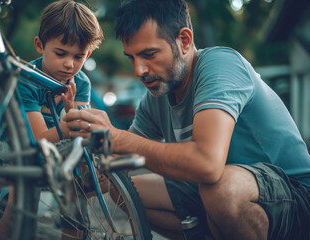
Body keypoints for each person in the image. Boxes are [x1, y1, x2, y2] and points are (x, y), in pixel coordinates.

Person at [62, 0, 310, 239]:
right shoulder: (158, 94)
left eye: (149, 54)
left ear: (184, 40)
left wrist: (117, 137)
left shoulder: (221, 65)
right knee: (124, 190)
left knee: (220, 188)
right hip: (218, 190)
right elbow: (118, 162)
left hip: (294, 195)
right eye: (132, 57)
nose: (139, 70)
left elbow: (207, 164)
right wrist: (83, 160)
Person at [0, 1, 103, 239]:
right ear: (39, 45)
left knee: (75, 202)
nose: (69, 64)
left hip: (57, 144)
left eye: (79, 56)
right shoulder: (27, 80)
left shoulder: (81, 82)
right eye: (61, 53)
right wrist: (68, 123)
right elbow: (38, 139)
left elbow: (79, 130)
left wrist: (71, 112)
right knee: (20, 207)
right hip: (19, 147)